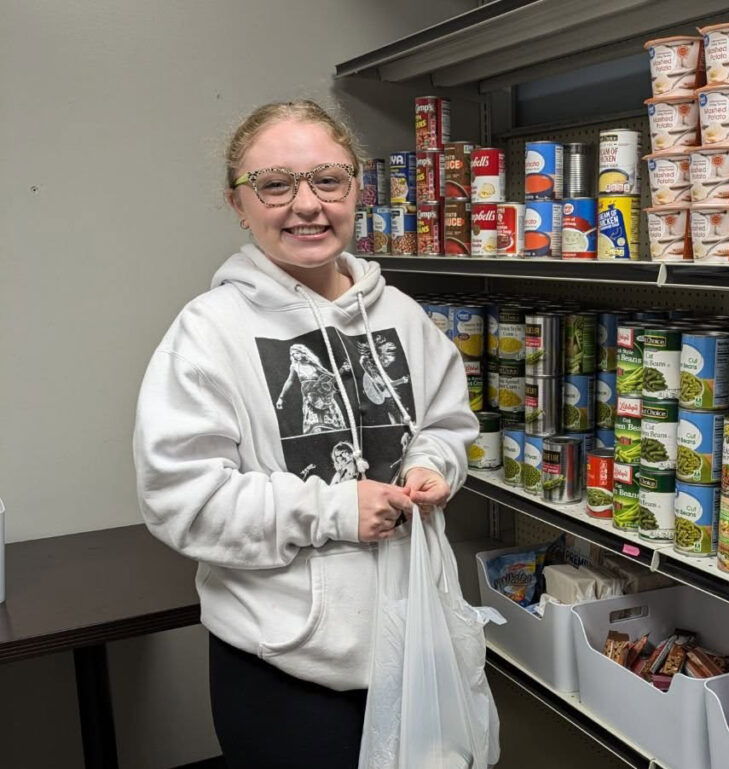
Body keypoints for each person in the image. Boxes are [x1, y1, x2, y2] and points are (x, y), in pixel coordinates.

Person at [132, 100, 478, 769]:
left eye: (328, 179)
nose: (307, 205)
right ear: (238, 202)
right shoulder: (208, 332)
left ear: (356, 189)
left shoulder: (403, 316)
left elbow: (444, 423)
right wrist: (336, 508)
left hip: (415, 647)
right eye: (275, 184)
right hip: (285, 667)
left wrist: (436, 466)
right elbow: (183, 500)